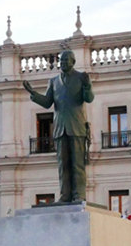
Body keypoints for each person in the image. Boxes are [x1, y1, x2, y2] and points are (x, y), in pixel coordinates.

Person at [23, 49, 94, 204]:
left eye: (65, 61)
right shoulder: (54, 81)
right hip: (60, 128)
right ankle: (65, 195)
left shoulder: (81, 77)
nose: (62, 63)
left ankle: (79, 195)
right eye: (61, 61)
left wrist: (88, 86)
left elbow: (88, 99)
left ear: (73, 62)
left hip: (77, 127)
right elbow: (48, 102)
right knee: (63, 166)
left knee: (77, 164)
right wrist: (33, 93)